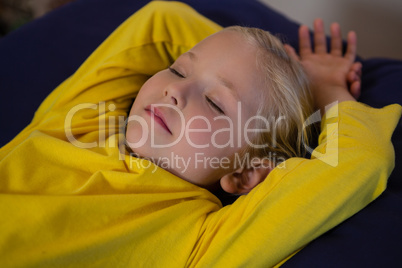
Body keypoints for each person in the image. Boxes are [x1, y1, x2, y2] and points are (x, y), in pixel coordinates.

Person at [0, 1, 400, 267]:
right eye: (177, 69)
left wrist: (324, 89)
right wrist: (261, 56)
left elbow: (361, 160)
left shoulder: (199, 242)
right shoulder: (82, 120)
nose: (175, 90)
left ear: (245, 173)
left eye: (215, 104)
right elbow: (160, 17)